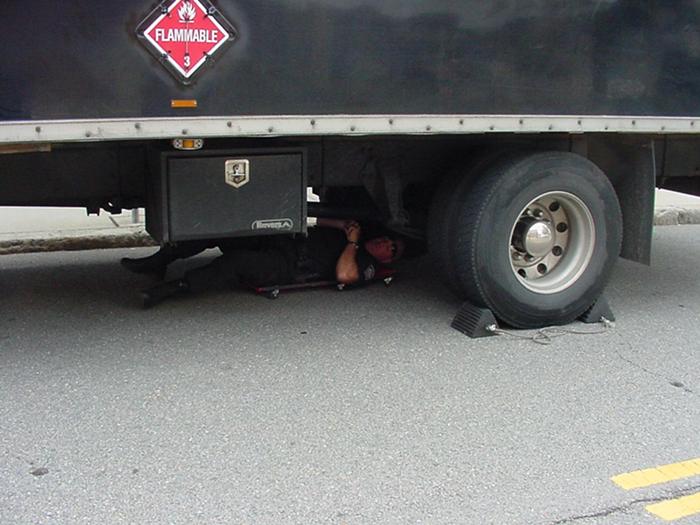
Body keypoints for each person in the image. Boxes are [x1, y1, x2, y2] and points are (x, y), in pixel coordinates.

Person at [120, 219, 405, 307]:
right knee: (220, 230)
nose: (385, 245)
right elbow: (315, 219)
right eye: (388, 240)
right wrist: (345, 226)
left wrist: (352, 243)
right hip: (284, 241)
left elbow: (344, 275)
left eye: (391, 250)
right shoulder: (357, 234)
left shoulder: (365, 264)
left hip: (288, 267)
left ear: (387, 260)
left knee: (237, 262)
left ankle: (171, 289)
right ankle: (159, 261)